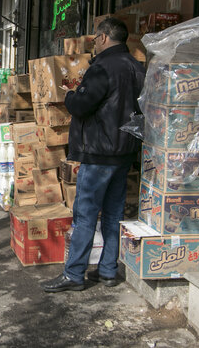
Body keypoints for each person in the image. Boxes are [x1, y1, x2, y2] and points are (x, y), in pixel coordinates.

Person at [42, 17, 145, 292]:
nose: (94, 44)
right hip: (124, 154)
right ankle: (108, 270)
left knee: (85, 215)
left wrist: (70, 95)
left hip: (99, 153)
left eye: (94, 39)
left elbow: (82, 105)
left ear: (102, 38)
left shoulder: (102, 68)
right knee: (113, 214)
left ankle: (74, 273)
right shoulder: (137, 67)